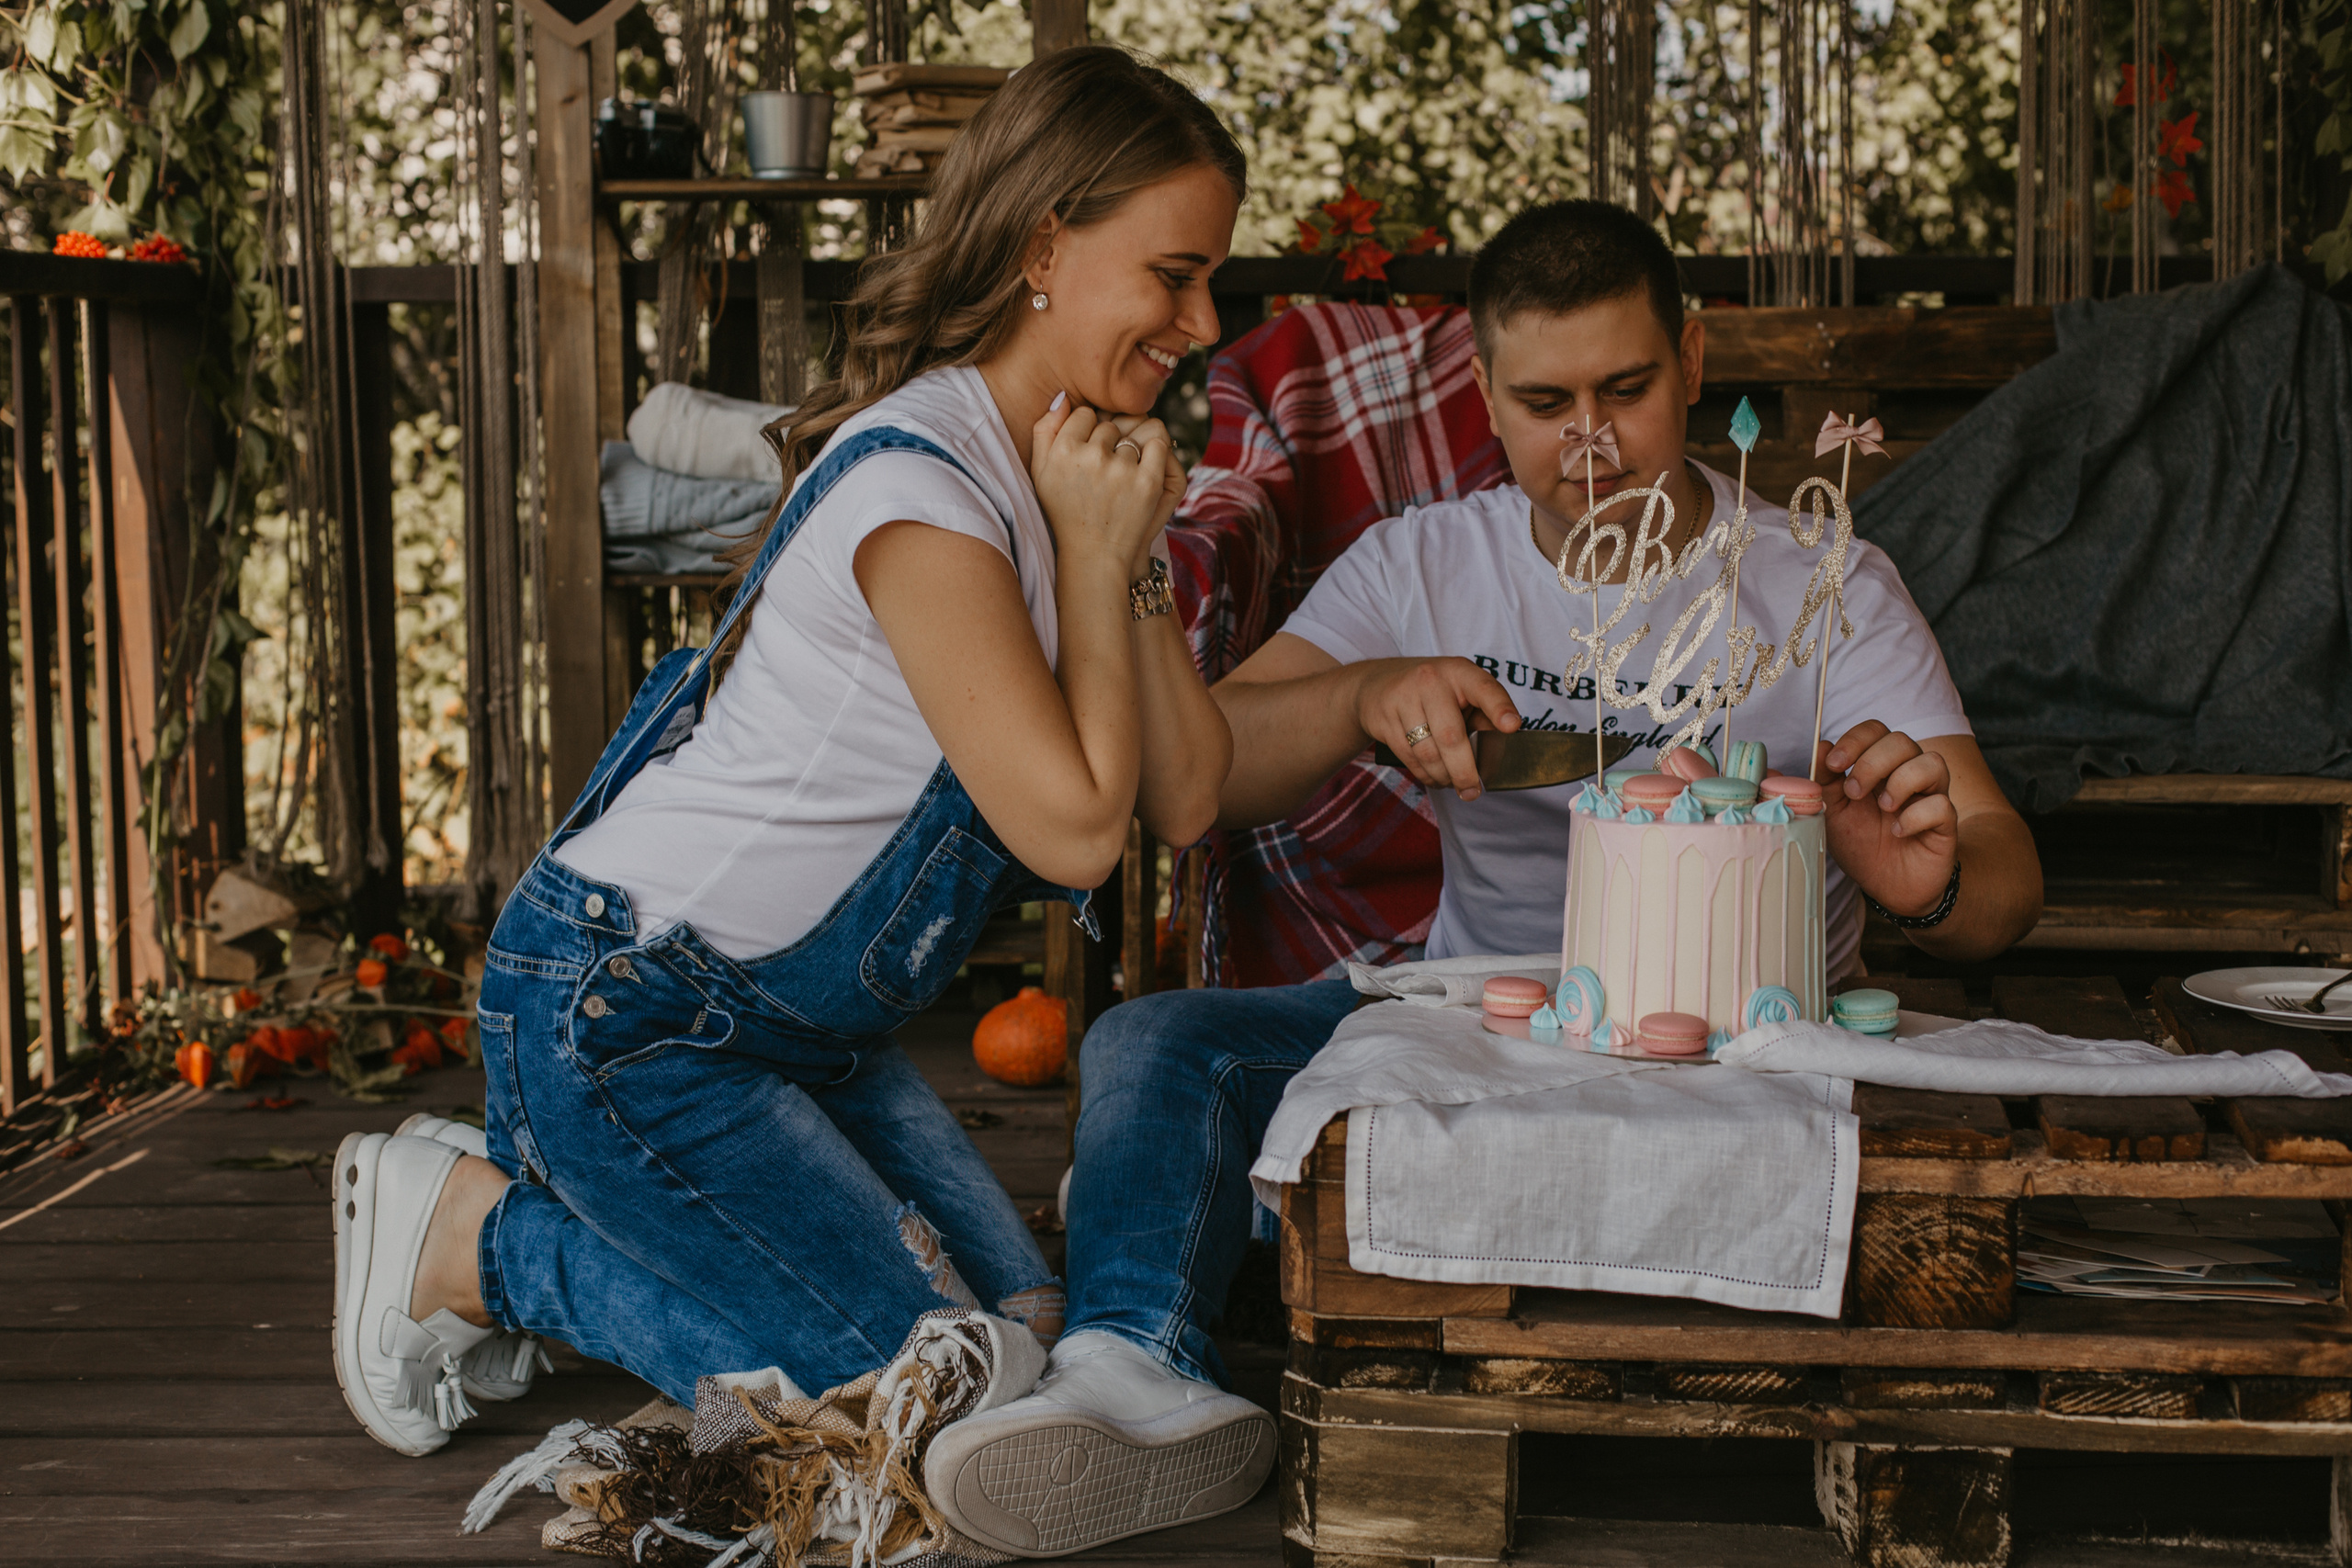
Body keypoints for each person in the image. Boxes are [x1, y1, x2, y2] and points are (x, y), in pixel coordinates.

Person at [933, 198, 2046, 1552]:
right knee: (1156, 1042)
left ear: (1694, 363)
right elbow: (1210, 772)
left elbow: (1999, 887)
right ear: (1484, 393)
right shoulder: (1424, 560)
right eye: (1544, 401)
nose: (1589, 443)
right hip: (1479, 1013)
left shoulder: (1822, 583)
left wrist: (1918, 877)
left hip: (1761, 1040)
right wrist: (1362, 692)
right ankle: (1131, 1371)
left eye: (1627, 390)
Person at [327, 45, 1250, 1526]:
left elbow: (1189, 795)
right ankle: (480, 1242)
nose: (1203, 324)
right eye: (1178, 274)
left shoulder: (1066, 466)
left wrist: (1127, 545)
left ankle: (575, 1227)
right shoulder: (925, 492)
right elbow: (1079, 827)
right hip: (631, 1015)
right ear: (1043, 249)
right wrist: (1096, 546)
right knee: (915, 1411)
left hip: (802, 1038)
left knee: (1017, 1338)